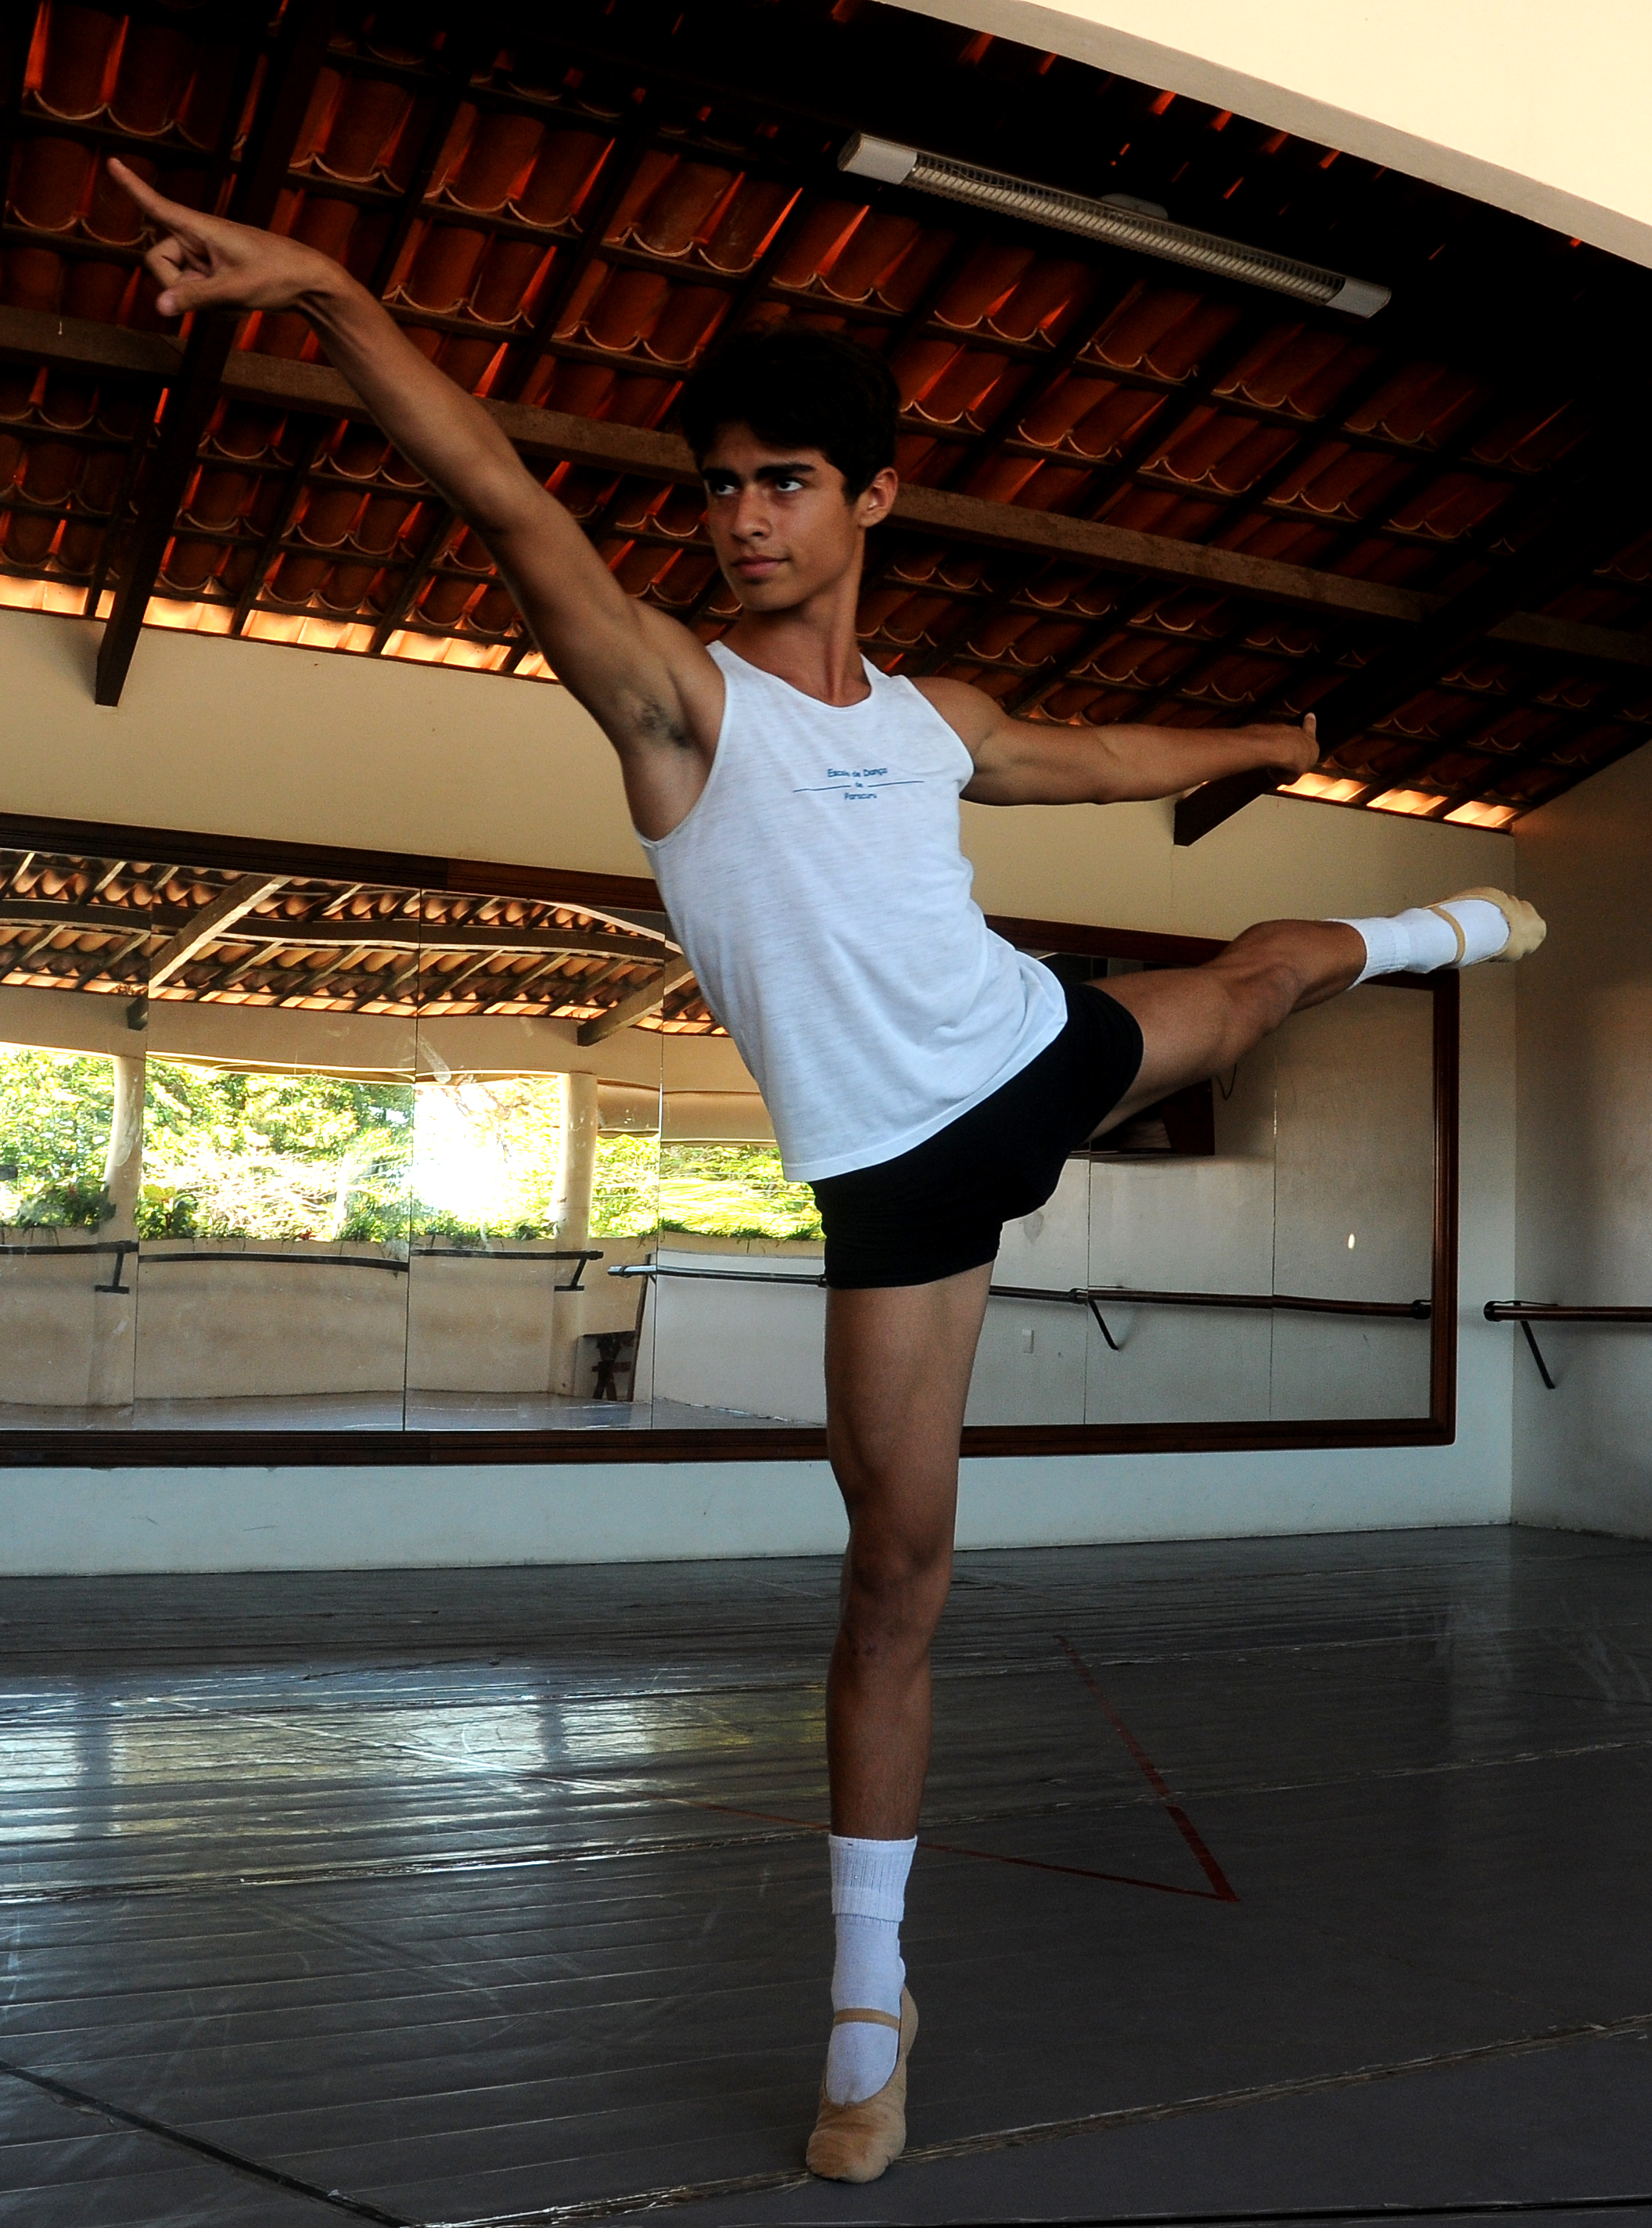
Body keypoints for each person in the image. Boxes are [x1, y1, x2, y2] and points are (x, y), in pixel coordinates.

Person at [111, 159, 1546, 2186]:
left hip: (1032, 1048)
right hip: (899, 1180)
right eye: (719, 488)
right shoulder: (678, 707)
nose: (743, 517)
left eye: (783, 482)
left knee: (1259, 981)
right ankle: (872, 2010)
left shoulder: (937, 716)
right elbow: (504, 507)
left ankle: (1414, 933)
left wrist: (1255, 737)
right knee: (895, 1576)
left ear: (874, 497)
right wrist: (332, 288)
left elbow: (1089, 761)